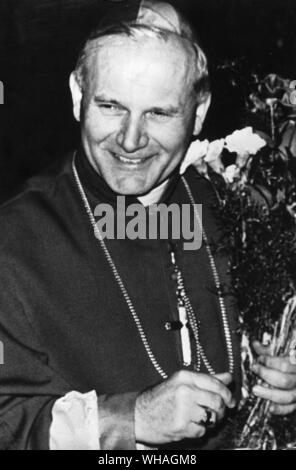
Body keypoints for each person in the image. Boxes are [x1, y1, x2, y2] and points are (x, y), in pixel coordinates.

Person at [0, 0, 295, 450]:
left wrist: (285, 380)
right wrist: (126, 418)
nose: (131, 140)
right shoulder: (15, 240)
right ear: (79, 96)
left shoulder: (238, 208)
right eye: (111, 106)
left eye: (158, 113)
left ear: (198, 112)